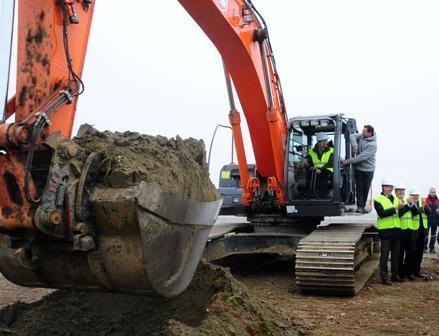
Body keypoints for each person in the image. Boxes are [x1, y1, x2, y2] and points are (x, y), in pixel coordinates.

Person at [341, 125, 377, 213]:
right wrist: (355, 146)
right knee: (359, 188)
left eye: (364, 131)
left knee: (365, 188)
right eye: (362, 131)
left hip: (368, 170)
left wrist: (348, 161)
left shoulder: (373, 145)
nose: (362, 133)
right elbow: (351, 136)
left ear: (370, 133)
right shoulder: (361, 136)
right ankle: (360, 207)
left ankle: (363, 206)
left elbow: (361, 157)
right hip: (359, 168)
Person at [374, 178, 403, 285]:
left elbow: (400, 213)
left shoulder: (396, 199)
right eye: (389, 187)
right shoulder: (378, 199)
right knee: (384, 256)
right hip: (385, 232)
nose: (391, 189)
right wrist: (396, 207)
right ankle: (384, 278)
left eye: (392, 187)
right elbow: (382, 213)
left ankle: (395, 275)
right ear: (384, 187)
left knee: (396, 256)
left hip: (396, 231)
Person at [395, 182, 417, 281]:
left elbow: (415, 213)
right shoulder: (395, 201)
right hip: (400, 231)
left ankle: (410, 272)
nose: (401, 192)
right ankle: (401, 273)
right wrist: (408, 205)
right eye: (399, 190)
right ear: (395, 191)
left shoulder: (406, 200)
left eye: (402, 190)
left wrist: (412, 205)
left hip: (410, 230)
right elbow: (399, 213)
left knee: (411, 253)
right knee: (400, 254)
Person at [409, 187, 431, 278]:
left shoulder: (422, 204)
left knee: (419, 254)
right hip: (414, 232)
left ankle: (417, 272)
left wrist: (425, 205)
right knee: (412, 253)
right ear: (411, 196)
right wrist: (420, 206)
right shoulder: (411, 204)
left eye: (417, 195)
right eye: (414, 195)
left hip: (422, 232)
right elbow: (415, 212)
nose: (416, 197)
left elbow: (429, 212)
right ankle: (411, 273)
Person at [306, 132, 334, 197]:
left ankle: (324, 195)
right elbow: (310, 163)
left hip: (327, 170)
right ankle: (310, 194)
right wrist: (307, 165)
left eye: (326, 141)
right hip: (316, 171)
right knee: (309, 175)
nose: (327, 142)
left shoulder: (331, 150)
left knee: (324, 178)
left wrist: (321, 169)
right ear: (320, 142)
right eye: (325, 141)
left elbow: (331, 163)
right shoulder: (311, 152)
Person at [424, 187, 439, 253]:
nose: (433, 193)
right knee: (426, 235)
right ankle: (424, 248)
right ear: (429, 192)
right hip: (427, 221)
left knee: (434, 235)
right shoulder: (426, 200)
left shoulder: (438, 201)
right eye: (432, 192)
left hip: (435, 221)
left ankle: (432, 248)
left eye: (434, 192)